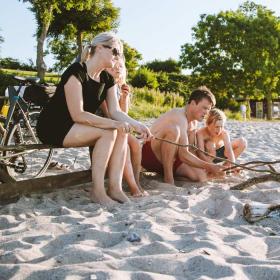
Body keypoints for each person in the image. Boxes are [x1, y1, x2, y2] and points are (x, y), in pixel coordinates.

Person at [36, 32, 151, 206]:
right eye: (115, 51)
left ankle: (115, 188)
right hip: (54, 126)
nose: (118, 57)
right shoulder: (77, 72)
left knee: (120, 132)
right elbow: (78, 114)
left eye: (119, 53)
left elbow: (115, 111)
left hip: (76, 126)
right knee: (110, 132)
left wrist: (137, 124)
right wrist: (115, 124)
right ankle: (98, 192)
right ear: (99, 48)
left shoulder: (107, 79)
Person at [141, 86, 224, 184]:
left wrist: (205, 167)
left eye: (208, 109)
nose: (206, 112)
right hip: (151, 155)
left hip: (172, 160)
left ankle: (167, 174)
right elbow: (184, 154)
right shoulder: (179, 115)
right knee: (174, 130)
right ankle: (169, 178)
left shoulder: (194, 123)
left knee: (201, 177)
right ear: (193, 103)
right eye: (204, 108)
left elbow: (191, 151)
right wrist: (210, 166)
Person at [97, 56, 147, 197]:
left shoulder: (118, 87)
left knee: (136, 144)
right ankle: (133, 187)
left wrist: (124, 98)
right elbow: (109, 114)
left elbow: (122, 114)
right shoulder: (103, 85)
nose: (117, 68)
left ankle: (136, 181)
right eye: (113, 66)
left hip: (116, 124)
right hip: (104, 123)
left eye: (120, 66)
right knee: (125, 143)